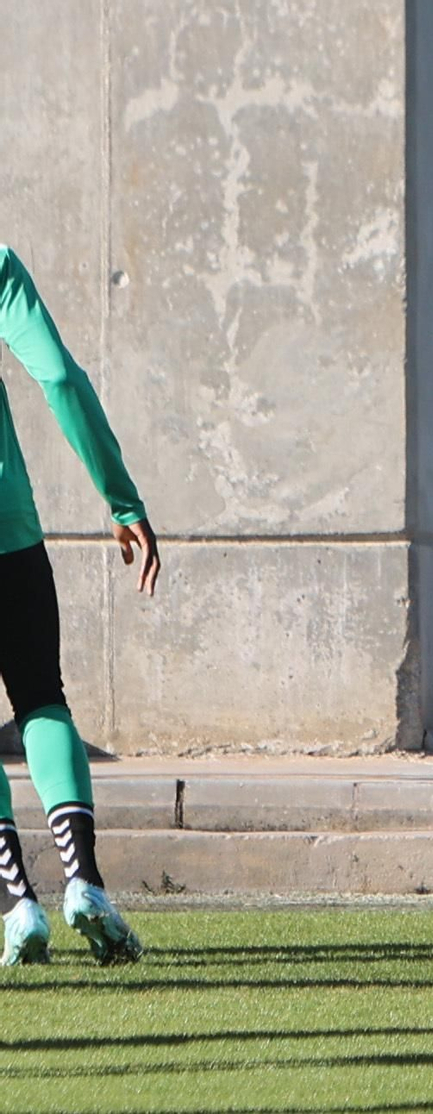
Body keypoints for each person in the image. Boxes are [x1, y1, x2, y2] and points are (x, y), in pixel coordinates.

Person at [0, 244, 158, 967]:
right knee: (41, 697)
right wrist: (121, 499)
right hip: (10, 528)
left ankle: (17, 904)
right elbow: (60, 376)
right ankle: (84, 883)